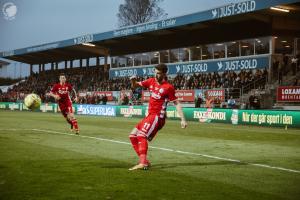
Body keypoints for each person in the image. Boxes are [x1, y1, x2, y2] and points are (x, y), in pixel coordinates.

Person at [128, 64, 187, 170]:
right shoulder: (151, 81)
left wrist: (182, 119)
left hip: (157, 117)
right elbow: (135, 86)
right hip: (150, 115)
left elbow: (176, 103)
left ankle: (142, 163)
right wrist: (133, 81)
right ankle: (145, 161)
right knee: (132, 136)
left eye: (158, 73)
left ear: (164, 74)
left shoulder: (168, 87)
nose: (156, 74)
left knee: (141, 135)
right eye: (155, 72)